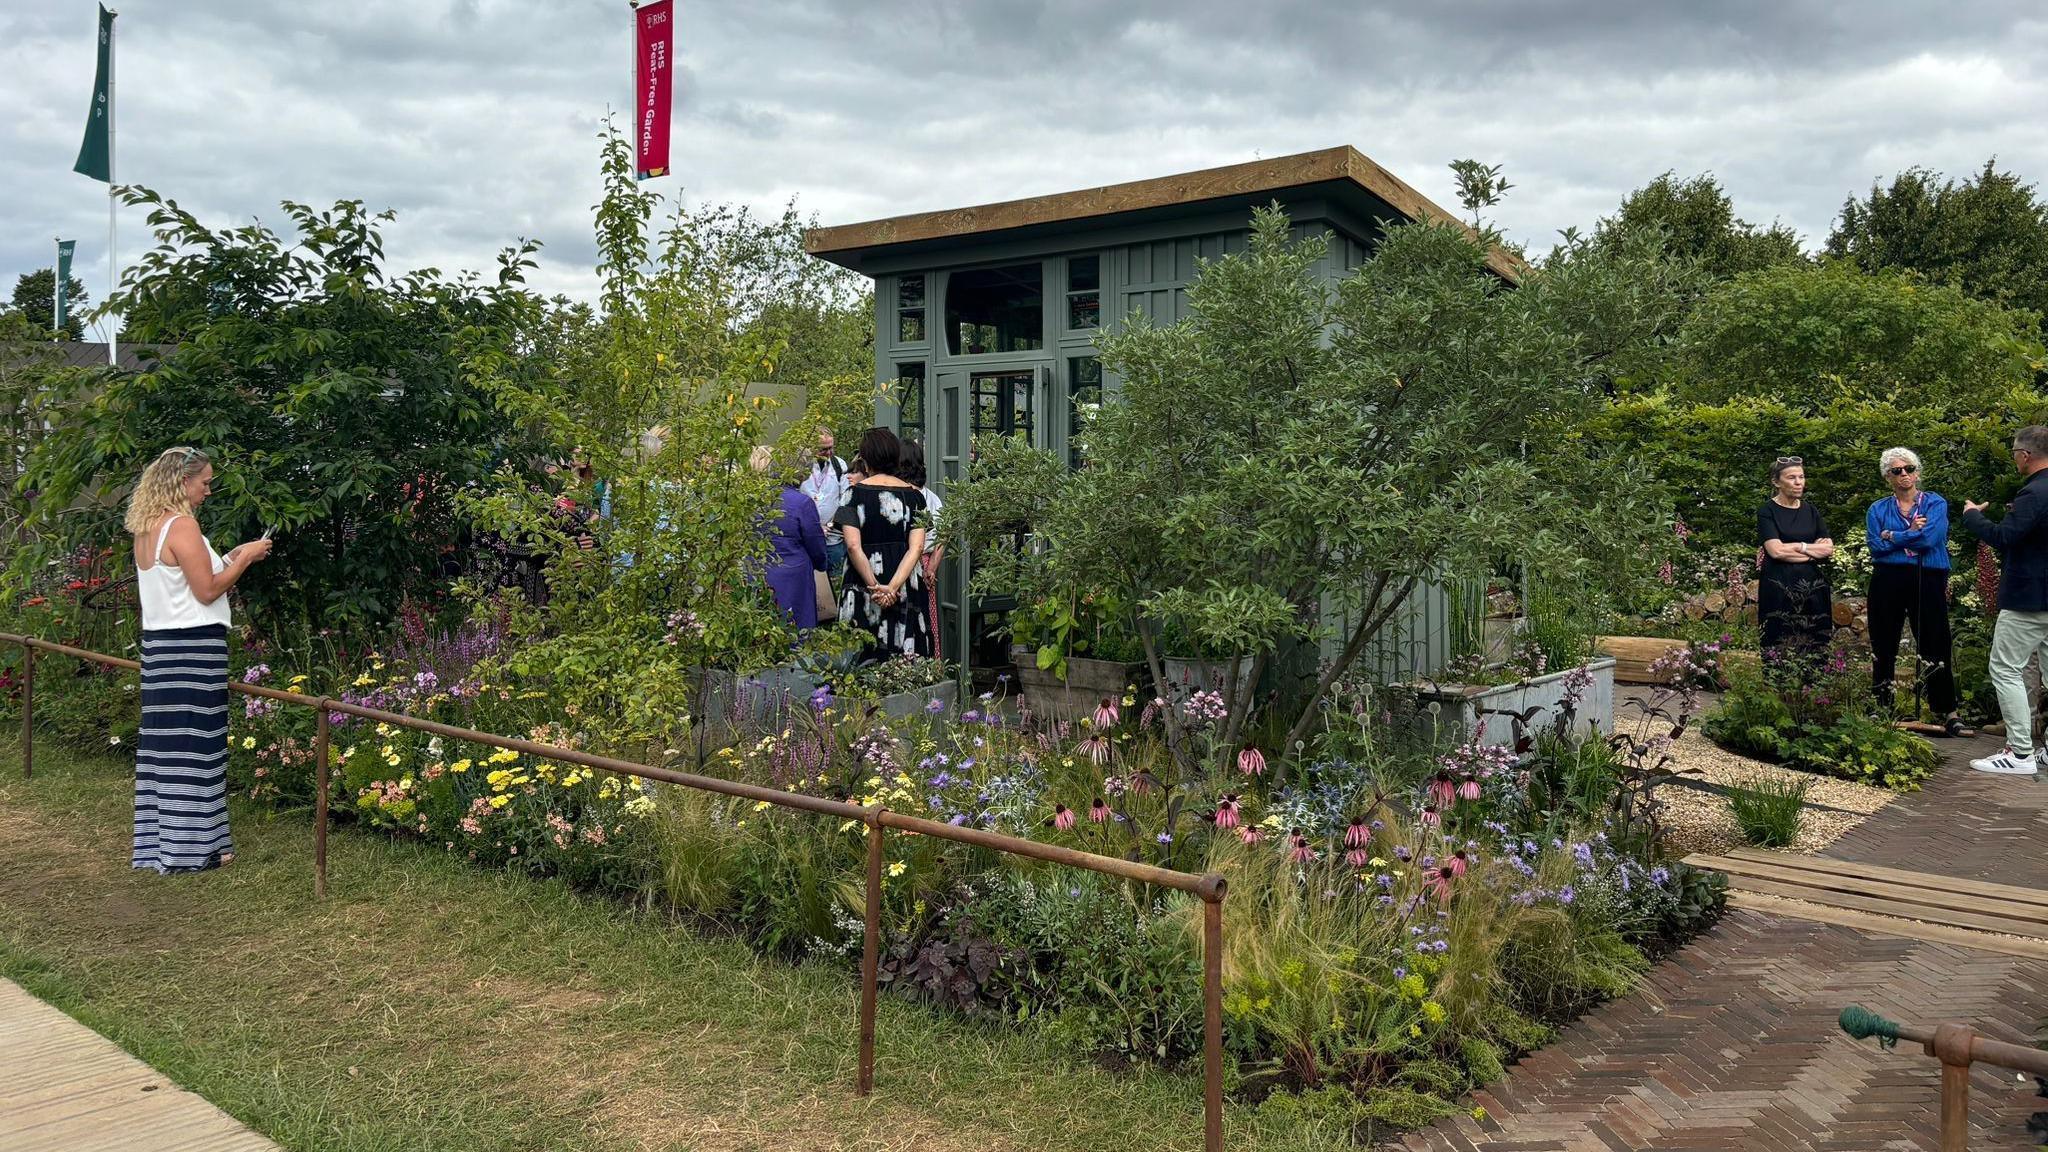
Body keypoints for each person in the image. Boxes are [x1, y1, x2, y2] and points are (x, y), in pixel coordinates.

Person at [125, 447, 271, 874]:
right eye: (204, 482)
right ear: (182, 481)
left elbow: (183, 584)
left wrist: (229, 557)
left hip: (161, 649)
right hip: (193, 648)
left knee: (168, 748)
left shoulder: (147, 527)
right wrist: (244, 559)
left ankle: (174, 844)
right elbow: (207, 592)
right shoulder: (183, 526)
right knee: (198, 746)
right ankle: (193, 851)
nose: (208, 490)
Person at [1960, 425, 2048, 775]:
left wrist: (1973, 517)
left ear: (2025, 455)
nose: (2014, 458)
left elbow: (2005, 536)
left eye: (2014, 452)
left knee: (2005, 668)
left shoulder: (2034, 493)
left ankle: (2020, 753)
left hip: (2030, 598)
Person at [1864, 447, 1961, 734]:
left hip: (1928, 575)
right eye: (1897, 471)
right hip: (1888, 577)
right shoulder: (1877, 509)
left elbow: (1931, 539)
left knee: (1935, 640)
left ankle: (1947, 711)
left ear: (1917, 471)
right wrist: (1908, 534)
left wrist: (1892, 535)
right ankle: (1881, 707)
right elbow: (1875, 546)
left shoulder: (1935, 503)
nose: (1904, 474)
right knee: (1884, 643)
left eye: (1909, 468)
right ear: (1888, 477)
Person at [834, 427, 932, 660]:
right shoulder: (916, 496)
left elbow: (853, 546)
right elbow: (917, 547)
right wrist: (893, 587)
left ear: (866, 460)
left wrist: (874, 587)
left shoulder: (852, 494)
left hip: (863, 583)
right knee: (908, 659)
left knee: (859, 658)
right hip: (906, 584)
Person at [1756, 456, 1835, 655]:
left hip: (1813, 585)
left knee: (1815, 639)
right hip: (1778, 585)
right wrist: (1811, 551)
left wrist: (1798, 547)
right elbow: (1775, 551)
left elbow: (1828, 549)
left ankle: (1813, 685)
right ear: (1776, 482)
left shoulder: (1811, 511)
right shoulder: (1767, 511)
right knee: (1778, 638)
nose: (1799, 482)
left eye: (1801, 477)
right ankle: (1779, 685)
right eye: (1792, 477)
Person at [749, 444, 829, 629]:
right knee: (795, 631)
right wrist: (821, 564)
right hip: (793, 577)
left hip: (753, 571)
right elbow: (817, 548)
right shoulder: (801, 503)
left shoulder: (747, 501)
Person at [901, 439, 944, 661]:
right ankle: (931, 665)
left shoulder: (901, 496)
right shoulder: (932, 497)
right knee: (928, 620)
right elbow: (943, 535)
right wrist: (933, 567)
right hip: (926, 562)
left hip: (904, 562)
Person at [800, 429, 850, 587]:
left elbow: (846, 499)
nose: (829, 453)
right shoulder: (800, 466)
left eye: (831, 448)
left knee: (835, 586)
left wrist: (830, 525)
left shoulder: (838, 464)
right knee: (810, 587)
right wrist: (815, 528)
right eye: (823, 449)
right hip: (807, 540)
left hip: (833, 538)